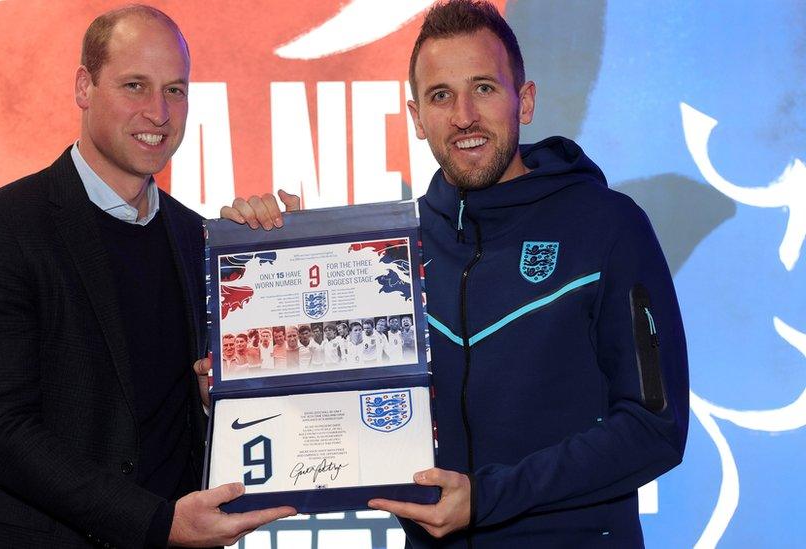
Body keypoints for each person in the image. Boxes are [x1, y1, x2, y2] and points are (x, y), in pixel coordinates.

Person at [221, 1, 688, 546]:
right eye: (441, 95)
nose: (464, 115)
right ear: (417, 117)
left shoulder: (608, 226)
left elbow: (655, 428)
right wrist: (252, 340)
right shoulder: (387, 254)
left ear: (526, 101)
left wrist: (488, 498)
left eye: (484, 88)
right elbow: (337, 413)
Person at [0, 6, 294, 548]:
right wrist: (158, 524)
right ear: (85, 86)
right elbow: (3, 434)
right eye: (134, 86)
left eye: (175, 91)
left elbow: (225, 409)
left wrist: (281, 256)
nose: (158, 112)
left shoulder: (205, 244)